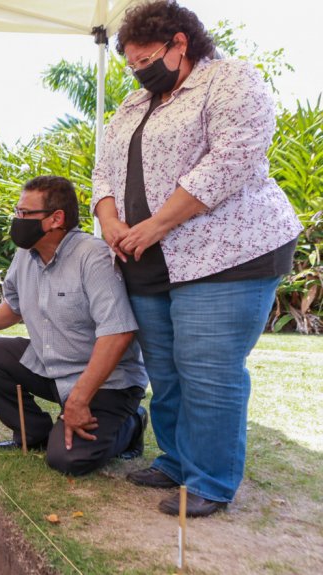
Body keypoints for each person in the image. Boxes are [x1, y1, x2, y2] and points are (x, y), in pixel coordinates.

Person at [92, 1, 302, 517]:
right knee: (165, 370)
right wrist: (112, 222)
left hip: (226, 253)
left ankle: (210, 479)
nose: (138, 71)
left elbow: (230, 162)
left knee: (207, 369)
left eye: (145, 59)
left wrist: (158, 223)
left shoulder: (230, 80)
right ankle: (177, 458)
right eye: (131, 64)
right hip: (146, 259)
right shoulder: (130, 106)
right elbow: (103, 171)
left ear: (179, 43)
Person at [0, 176, 148, 476]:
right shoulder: (25, 254)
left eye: (25, 214)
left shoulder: (92, 257)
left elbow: (118, 332)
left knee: (68, 460)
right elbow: (15, 306)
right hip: (53, 369)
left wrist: (80, 399)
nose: (17, 220)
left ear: (56, 219)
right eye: (17, 212)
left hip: (107, 383)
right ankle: (36, 433)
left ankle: (132, 424)